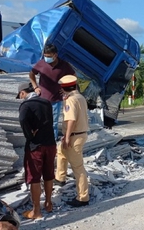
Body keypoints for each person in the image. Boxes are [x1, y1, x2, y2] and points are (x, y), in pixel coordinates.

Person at [17, 82, 57, 219]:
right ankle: (49, 203)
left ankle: (36, 211)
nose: (21, 98)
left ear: (23, 93)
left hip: (36, 146)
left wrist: (29, 134)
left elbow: (22, 119)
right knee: (48, 174)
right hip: (50, 143)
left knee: (34, 177)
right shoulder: (46, 102)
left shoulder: (26, 105)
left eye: (20, 95)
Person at [55, 75, 90, 207]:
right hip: (80, 134)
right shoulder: (80, 97)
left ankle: (83, 197)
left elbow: (71, 120)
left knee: (78, 168)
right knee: (61, 152)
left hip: (74, 136)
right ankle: (60, 177)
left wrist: (67, 137)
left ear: (63, 88)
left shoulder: (70, 100)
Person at [29, 44, 76, 141]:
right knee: (40, 120)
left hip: (56, 99)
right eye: (45, 56)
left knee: (53, 122)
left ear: (55, 55)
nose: (47, 58)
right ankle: (40, 140)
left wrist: (67, 90)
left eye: (49, 56)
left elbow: (74, 77)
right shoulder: (41, 64)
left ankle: (52, 142)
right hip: (42, 98)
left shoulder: (64, 65)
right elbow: (32, 74)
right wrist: (35, 87)